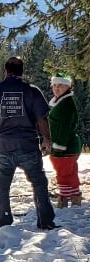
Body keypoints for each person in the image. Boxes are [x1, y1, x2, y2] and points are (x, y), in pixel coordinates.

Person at [0, 56, 57, 230]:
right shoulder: (32, 91)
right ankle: (45, 221)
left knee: (3, 184)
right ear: (22, 72)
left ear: (5, 71)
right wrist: (46, 139)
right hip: (27, 145)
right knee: (39, 182)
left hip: (3, 146)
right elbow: (41, 119)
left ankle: (3, 221)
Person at [47, 73, 82, 208]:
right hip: (70, 144)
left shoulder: (65, 105)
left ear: (67, 86)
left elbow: (64, 127)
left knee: (64, 173)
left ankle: (64, 198)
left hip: (65, 146)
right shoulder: (61, 102)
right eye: (54, 85)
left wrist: (58, 146)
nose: (56, 88)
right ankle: (74, 197)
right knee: (70, 172)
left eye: (60, 85)